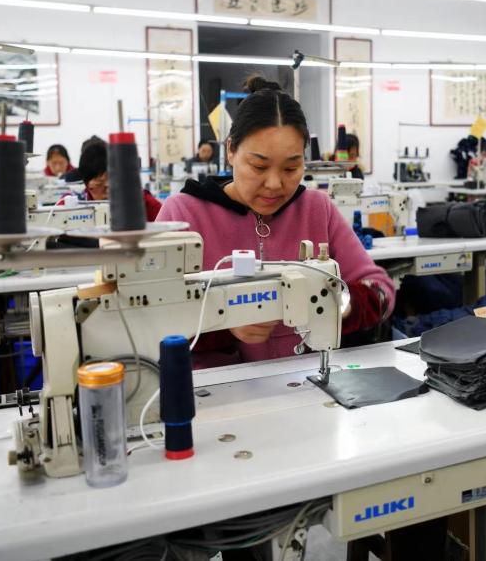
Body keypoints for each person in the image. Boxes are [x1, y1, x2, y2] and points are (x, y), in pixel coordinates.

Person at [156, 75, 395, 368]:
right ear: (231, 150)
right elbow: (148, 314)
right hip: (214, 385)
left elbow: (382, 291)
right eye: (259, 166)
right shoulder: (183, 214)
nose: (274, 184)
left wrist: (333, 306)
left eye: (291, 168)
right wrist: (223, 321)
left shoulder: (316, 209)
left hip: (303, 377)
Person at [73, 141, 162, 221]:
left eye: (114, 182)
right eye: (99, 184)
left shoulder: (146, 204)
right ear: (87, 185)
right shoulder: (74, 208)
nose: (108, 190)